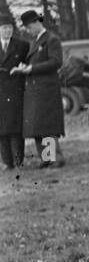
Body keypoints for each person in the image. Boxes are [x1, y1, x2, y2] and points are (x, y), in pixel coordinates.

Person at [18, 10, 65, 167]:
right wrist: (26, 67)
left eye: (28, 27)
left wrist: (31, 69)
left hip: (47, 90)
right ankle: (46, 159)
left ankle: (54, 158)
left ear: (36, 23)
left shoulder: (51, 40)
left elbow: (56, 62)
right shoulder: (35, 40)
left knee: (47, 126)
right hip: (35, 90)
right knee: (37, 126)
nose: (28, 31)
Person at [1, 12, 28, 170]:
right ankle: (7, 162)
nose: (7, 31)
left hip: (15, 91)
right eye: (4, 28)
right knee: (1, 130)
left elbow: (28, 64)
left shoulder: (22, 45)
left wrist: (22, 68)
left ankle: (19, 161)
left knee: (16, 129)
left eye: (9, 28)